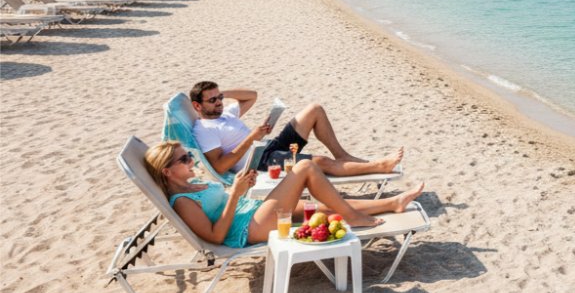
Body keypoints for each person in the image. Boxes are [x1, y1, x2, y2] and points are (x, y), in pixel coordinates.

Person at [144, 140, 424, 247]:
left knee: (321, 209)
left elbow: (224, 204)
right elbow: (216, 236)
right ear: (167, 172)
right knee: (305, 167)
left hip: (252, 212)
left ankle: (394, 202)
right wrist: (235, 195)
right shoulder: (182, 202)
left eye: (189, 155)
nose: (191, 161)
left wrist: (242, 188)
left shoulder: (193, 185)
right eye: (184, 159)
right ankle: (354, 216)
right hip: (248, 229)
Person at [189, 80, 403, 178]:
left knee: (314, 110)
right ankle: (380, 166)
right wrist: (252, 138)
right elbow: (220, 167)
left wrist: (221, 94)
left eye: (219, 98)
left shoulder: (225, 113)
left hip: (268, 147)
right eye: (212, 100)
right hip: (259, 162)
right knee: (319, 162)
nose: (219, 102)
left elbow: (251, 96)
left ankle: (343, 156)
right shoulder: (204, 129)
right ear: (197, 106)